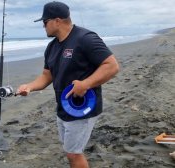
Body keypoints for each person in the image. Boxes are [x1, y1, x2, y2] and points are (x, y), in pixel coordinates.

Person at [17, 1, 119, 168]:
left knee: (73, 154)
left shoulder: (85, 38)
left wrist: (85, 84)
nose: (43, 26)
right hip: (63, 107)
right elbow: (46, 76)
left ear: (57, 21)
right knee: (71, 150)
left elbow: (112, 65)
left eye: (45, 22)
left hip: (83, 108)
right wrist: (30, 86)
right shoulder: (51, 47)